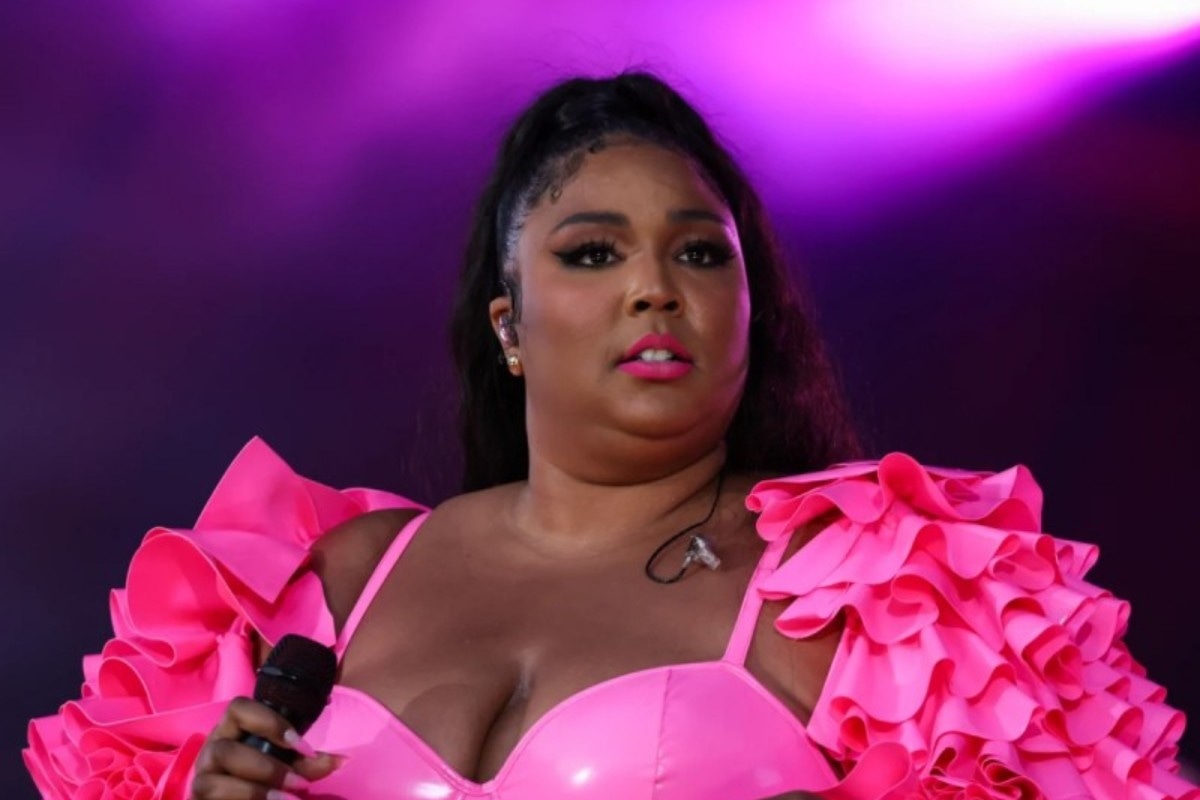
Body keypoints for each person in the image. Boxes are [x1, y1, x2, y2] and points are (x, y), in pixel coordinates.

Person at [24, 72, 1197, 800]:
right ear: (509, 326)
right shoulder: (322, 580)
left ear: (752, 308)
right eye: (593, 252)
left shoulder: (887, 594)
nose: (654, 287)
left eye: (699, 252)